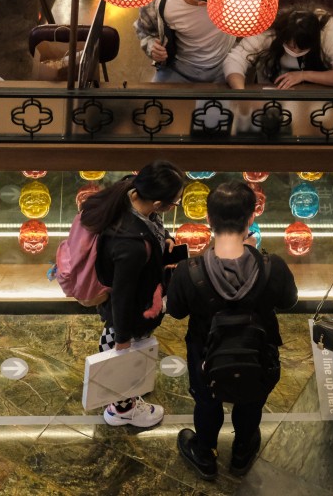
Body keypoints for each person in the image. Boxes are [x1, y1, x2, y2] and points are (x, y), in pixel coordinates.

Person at [167, 181, 298, 480]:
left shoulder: (190, 270)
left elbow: (175, 311)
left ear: (209, 221)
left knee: (207, 400)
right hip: (258, 352)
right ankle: (241, 452)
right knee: (251, 399)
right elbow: (289, 301)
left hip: (205, 353)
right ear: (251, 218)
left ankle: (205, 454)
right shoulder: (272, 266)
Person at [83, 161, 186, 427]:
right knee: (123, 351)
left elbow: (154, 223)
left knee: (118, 341)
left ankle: (122, 387)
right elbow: (123, 297)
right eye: (174, 203)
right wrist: (123, 340)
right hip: (134, 307)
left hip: (127, 295)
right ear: (158, 203)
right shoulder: (131, 247)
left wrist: (166, 238)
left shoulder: (129, 189)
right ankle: (122, 409)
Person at [135, 0, 235, 83]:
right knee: (154, 100)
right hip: (181, 69)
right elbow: (144, 31)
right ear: (202, 3)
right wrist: (152, 46)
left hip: (226, 64)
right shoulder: (158, 3)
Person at [223, 8, 333, 89]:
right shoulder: (269, 30)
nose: (295, 53)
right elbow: (235, 60)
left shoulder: (329, 29)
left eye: (302, 49)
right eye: (291, 47)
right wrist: (240, 93)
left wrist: (304, 75)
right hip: (270, 86)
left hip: (316, 91)